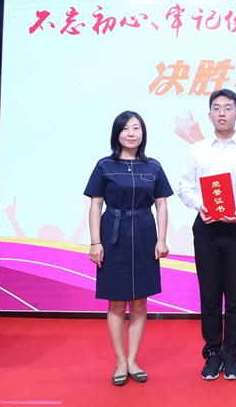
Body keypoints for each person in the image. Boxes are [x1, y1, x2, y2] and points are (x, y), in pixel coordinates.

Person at [177, 89, 236, 381]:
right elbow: (185, 187)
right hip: (206, 226)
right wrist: (199, 205)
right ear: (209, 114)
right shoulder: (198, 150)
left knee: (235, 295)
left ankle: (231, 355)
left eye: (228, 108)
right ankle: (213, 353)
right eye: (217, 108)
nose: (222, 113)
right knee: (210, 294)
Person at [84, 111, 172, 386]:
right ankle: (120, 361)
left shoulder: (153, 166)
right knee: (116, 302)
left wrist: (161, 239)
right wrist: (95, 242)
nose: (131, 133)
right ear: (117, 133)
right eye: (125, 128)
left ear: (143, 133)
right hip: (113, 235)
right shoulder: (105, 165)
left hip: (145, 234)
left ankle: (133, 359)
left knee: (140, 302)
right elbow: (96, 205)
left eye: (136, 128)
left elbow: (161, 205)